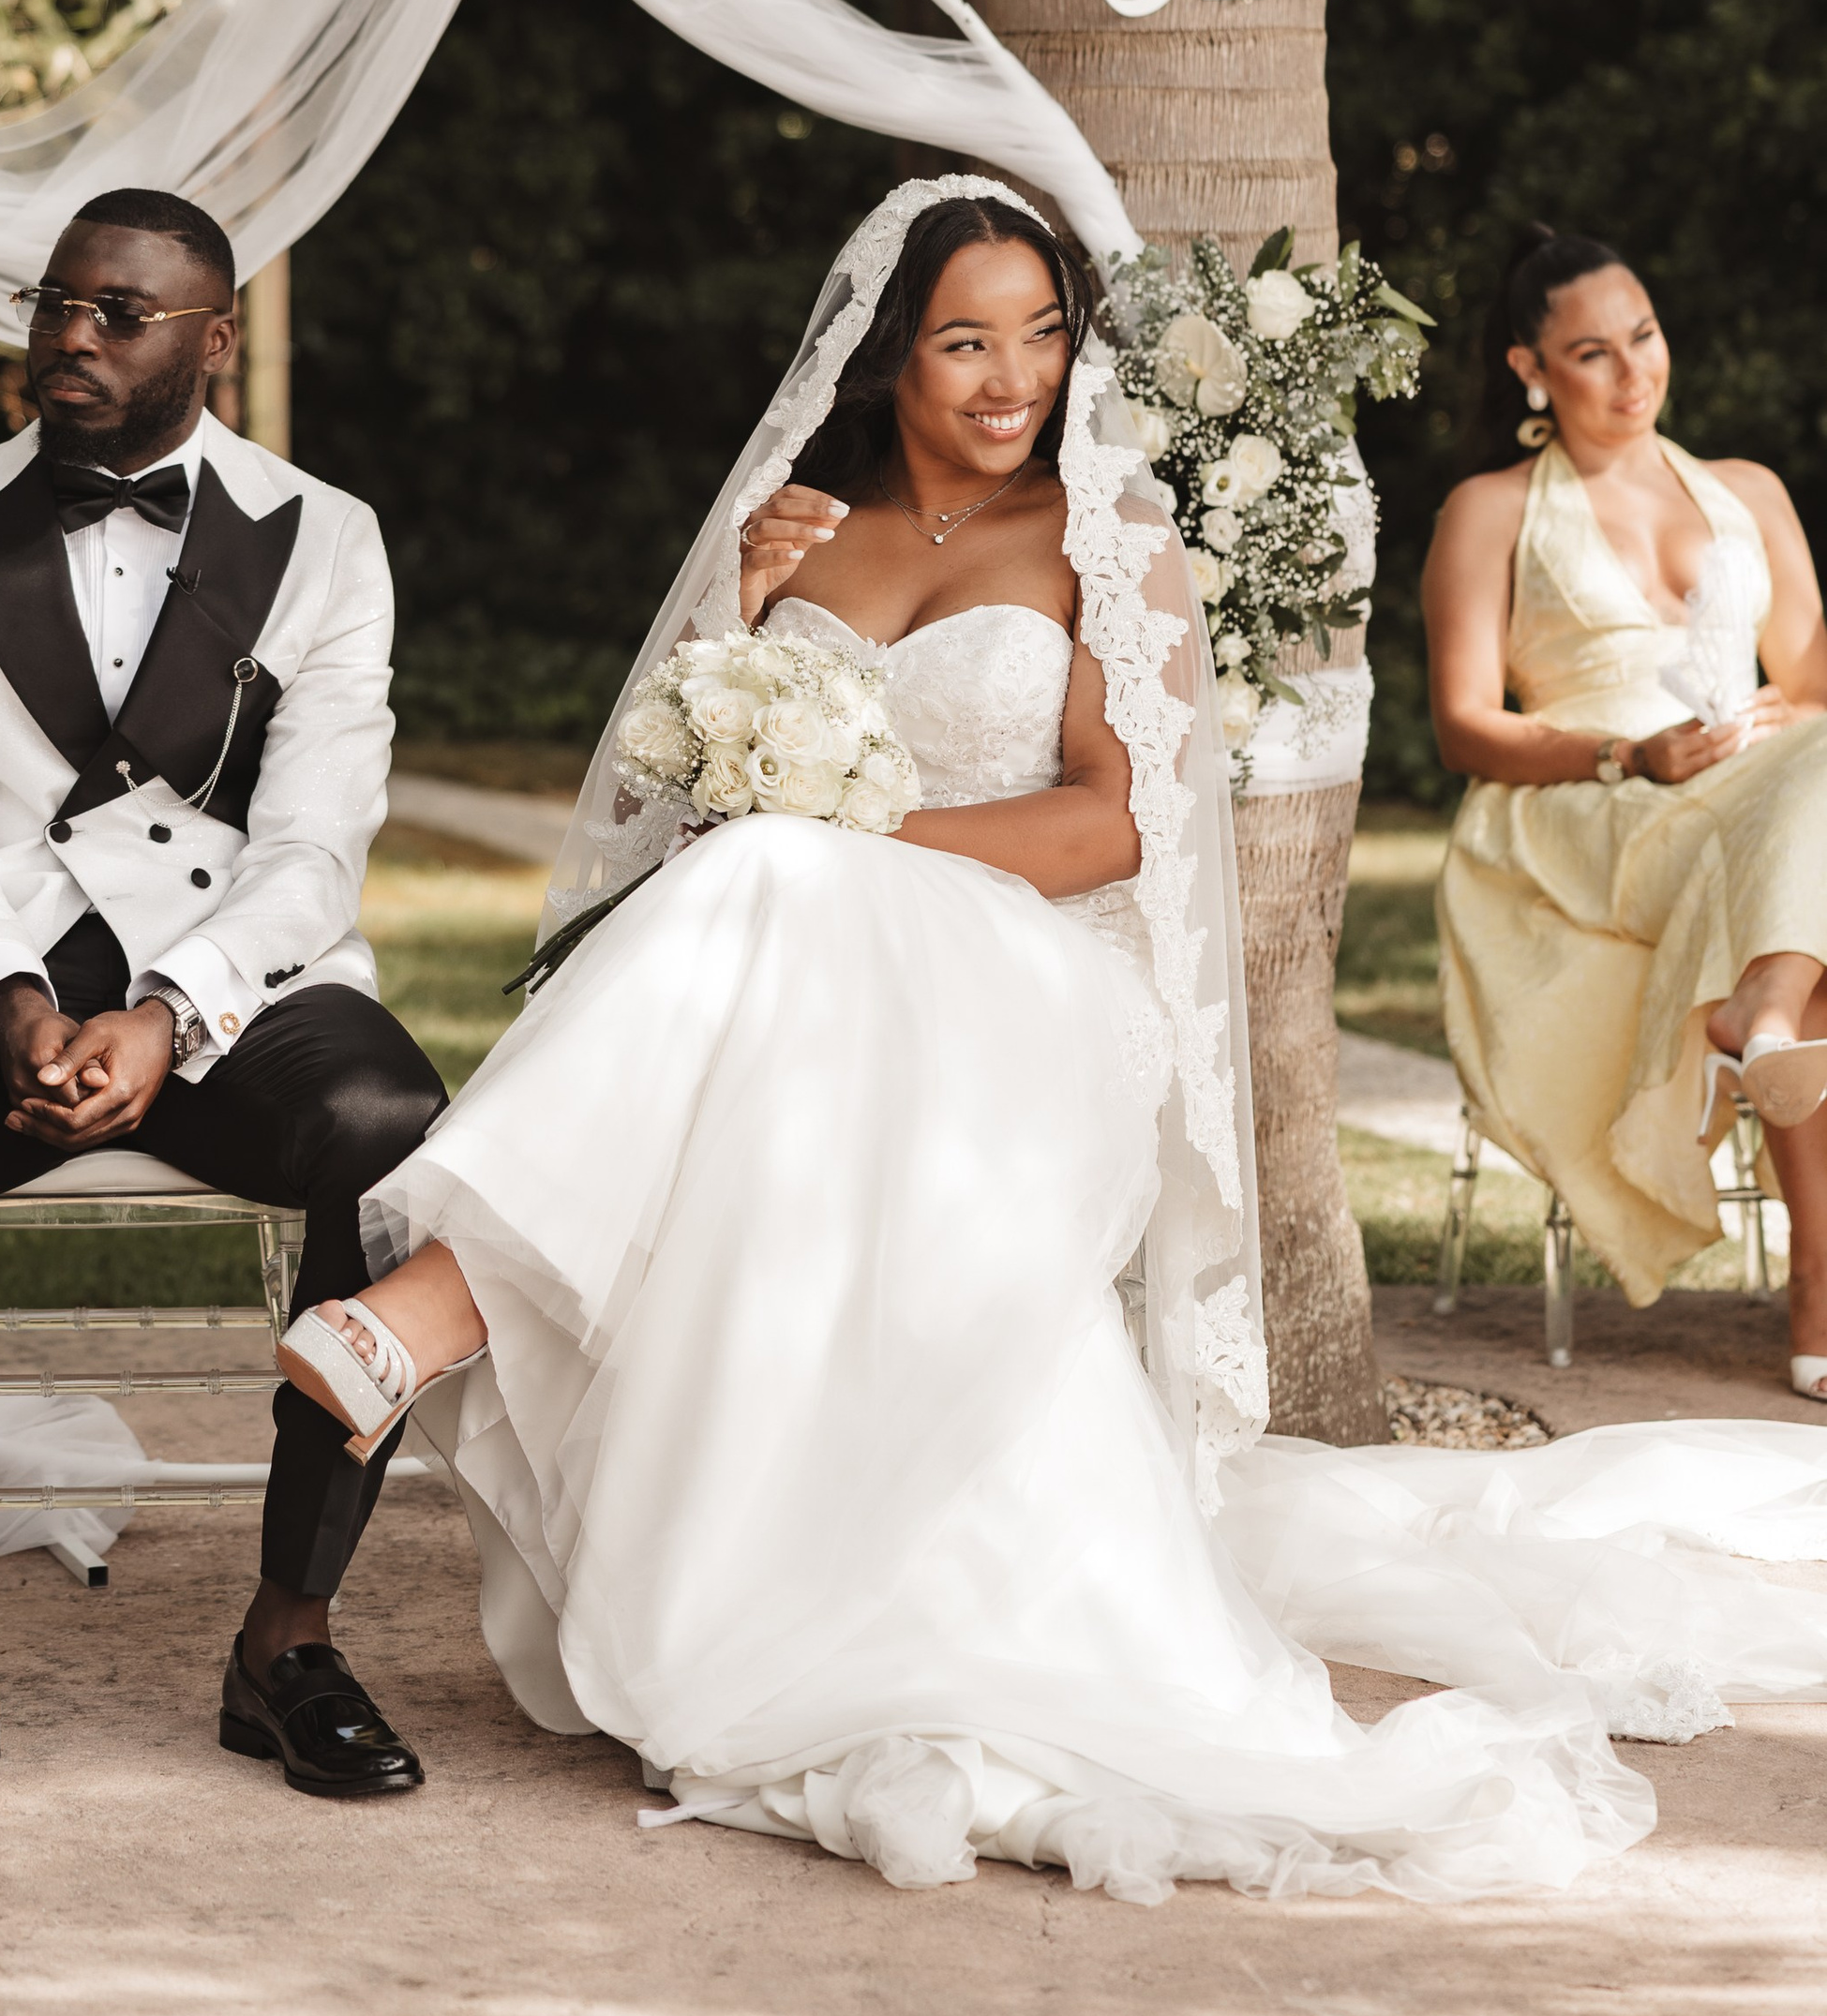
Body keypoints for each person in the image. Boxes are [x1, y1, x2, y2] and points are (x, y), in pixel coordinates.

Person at [266, 178, 1827, 1902]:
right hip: (808, 962)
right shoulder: (805, 527)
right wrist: (735, 612)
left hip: (1030, 978)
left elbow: (1113, 831)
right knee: (762, 902)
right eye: (963, 339)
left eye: (1039, 332)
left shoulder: (1107, 538)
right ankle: (547, 1410)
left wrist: (852, 844)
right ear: (891, 354)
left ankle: (436, 1304)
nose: (1009, 376)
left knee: (779, 885)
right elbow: (672, 790)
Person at [0, 188, 446, 1814]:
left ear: (212, 340)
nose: (70, 334)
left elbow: (318, 846)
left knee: (393, 1131)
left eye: (117, 313)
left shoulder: (323, 538)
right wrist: (6, 1007)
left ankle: (290, 1638)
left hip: (235, 987)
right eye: (57, 303)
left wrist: (173, 1014)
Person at [1422, 226, 1827, 1383]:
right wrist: (1630, 755)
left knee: (1803, 818)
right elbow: (1465, 726)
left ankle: (1765, 1008)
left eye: (1642, 337)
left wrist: (1759, 732)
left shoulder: (1748, 490)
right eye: (1591, 353)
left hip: (1763, 776)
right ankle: (1816, 1292)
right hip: (1583, 795)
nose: (1633, 372)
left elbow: (1808, 687)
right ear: (1529, 371)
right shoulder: (1489, 508)